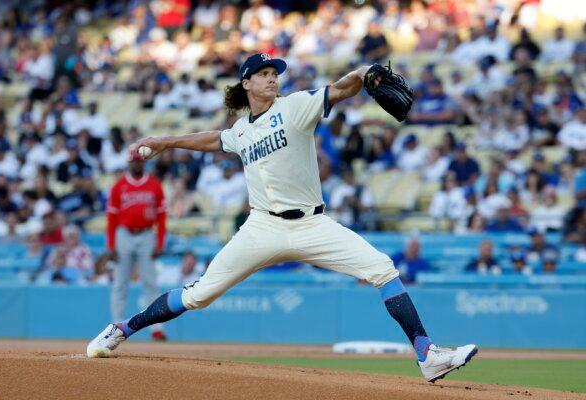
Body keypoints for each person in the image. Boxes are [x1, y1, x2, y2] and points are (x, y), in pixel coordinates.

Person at [87, 53, 477, 382]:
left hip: (313, 224)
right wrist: (165, 141)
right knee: (199, 295)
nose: (273, 78)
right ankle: (122, 329)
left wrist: (362, 75)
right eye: (264, 74)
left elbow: (339, 89)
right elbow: (213, 139)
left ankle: (427, 353)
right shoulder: (241, 130)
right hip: (262, 227)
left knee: (382, 268)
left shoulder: (294, 107)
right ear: (246, 84)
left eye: (275, 74)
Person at [106, 149, 168, 341]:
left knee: (150, 283)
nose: (136, 164)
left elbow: (162, 216)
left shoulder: (154, 185)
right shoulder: (119, 186)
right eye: (134, 161)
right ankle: (116, 327)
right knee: (120, 283)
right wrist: (111, 245)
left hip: (147, 234)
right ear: (129, 163)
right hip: (124, 234)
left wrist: (160, 241)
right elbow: (112, 218)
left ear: (144, 163)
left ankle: (156, 328)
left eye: (140, 161)